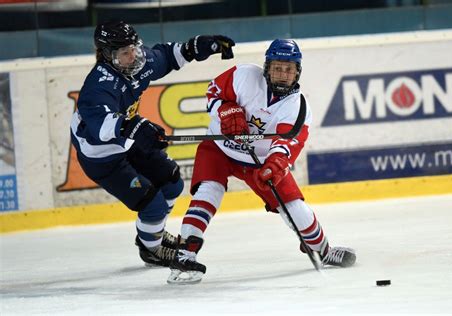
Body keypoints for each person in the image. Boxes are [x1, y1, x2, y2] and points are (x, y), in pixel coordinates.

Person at [167, 39, 356, 284]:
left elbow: (286, 146)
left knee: (295, 209)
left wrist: (274, 165)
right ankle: (184, 255)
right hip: (220, 148)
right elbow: (213, 92)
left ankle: (323, 250)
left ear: (297, 72)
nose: (282, 74)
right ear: (267, 67)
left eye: (289, 69)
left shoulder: (297, 108)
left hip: (261, 162)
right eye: (277, 67)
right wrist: (226, 110)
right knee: (208, 190)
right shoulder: (244, 75)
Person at [70, 20, 235, 268]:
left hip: (127, 137)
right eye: (125, 53)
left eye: (134, 47)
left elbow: (167, 56)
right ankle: (151, 249)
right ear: (106, 55)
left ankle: (152, 235)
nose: (134, 55)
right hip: (101, 155)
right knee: (153, 204)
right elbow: (101, 128)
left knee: (172, 182)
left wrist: (199, 46)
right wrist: (136, 128)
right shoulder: (98, 85)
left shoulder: (135, 60)